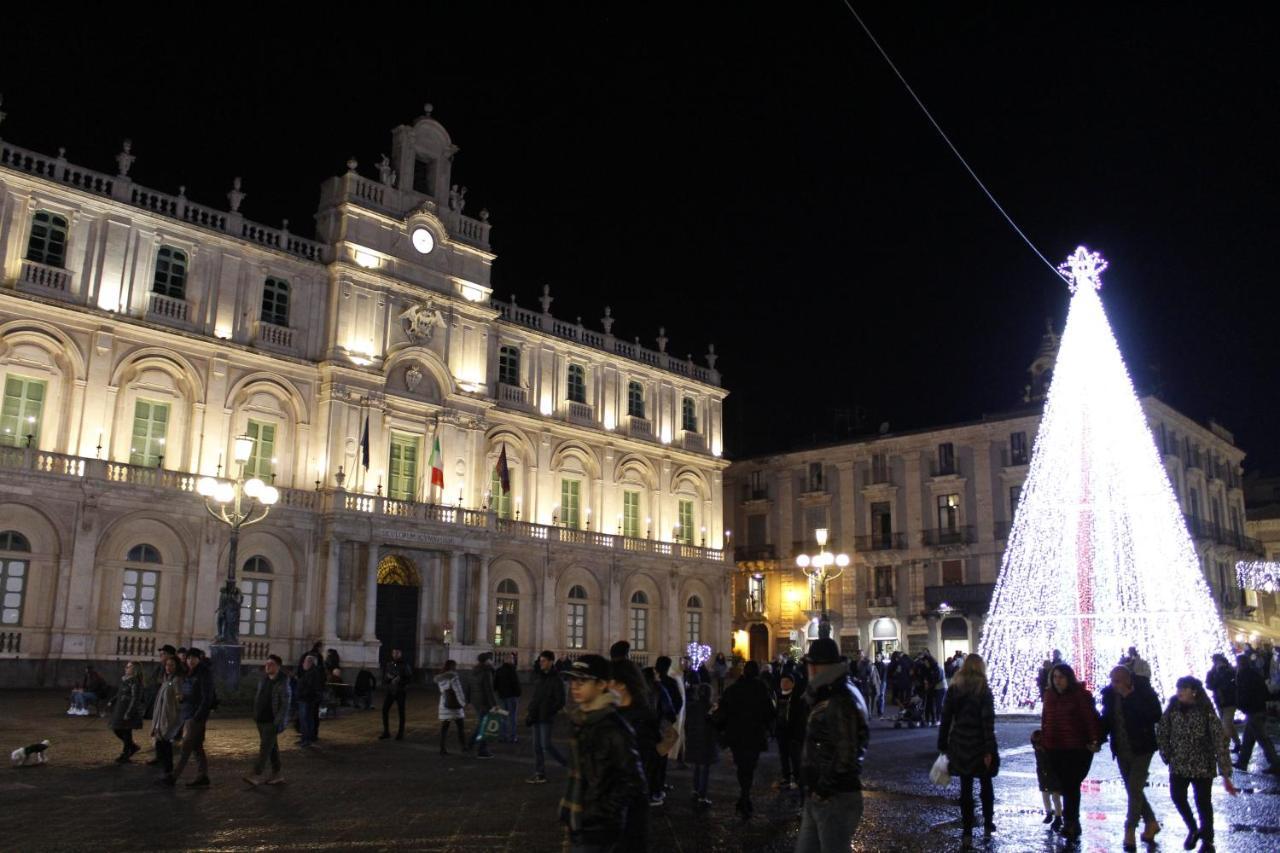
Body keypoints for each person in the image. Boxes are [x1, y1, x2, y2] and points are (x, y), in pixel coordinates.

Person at [559, 655, 646, 853]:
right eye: (573, 680)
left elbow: (633, 782)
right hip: (579, 821)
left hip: (598, 829)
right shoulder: (581, 721)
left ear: (601, 685)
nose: (575, 686)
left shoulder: (613, 727)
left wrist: (601, 815)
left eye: (583, 681)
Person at [795, 637, 869, 853]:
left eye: (809, 664)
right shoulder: (832, 691)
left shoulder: (839, 698)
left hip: (833, 797)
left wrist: (823, 788)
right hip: (820, 794)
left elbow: (846, 754)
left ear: (818, 667)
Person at [1157, 675, 1238, 853]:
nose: (1179, 692)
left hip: (1203, 764)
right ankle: (1193, 828)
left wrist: (1225, 772)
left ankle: (1207, 839)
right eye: (1178, 688)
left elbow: (1219, 741)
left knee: (1203, 802)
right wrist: (1167, 754)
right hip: (1179, 763)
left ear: (1194, 691)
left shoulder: (1206, 710)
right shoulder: (1172, 708)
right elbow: (1162, 730)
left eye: (1183, 688)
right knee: (1177, 796)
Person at [1099, 664, 1163, 849]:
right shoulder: (1110, 696)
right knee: (1133, 789)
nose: (1114, 685)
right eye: (1112, 681)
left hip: (1142, 748)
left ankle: (1130, 830)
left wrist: (1130, 698)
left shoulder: (1144, 692)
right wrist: (1098, 738)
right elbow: (1107, 719)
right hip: (1121, 749)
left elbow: (1155, 715)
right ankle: (1151, 822)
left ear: (1128, 680)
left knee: (1134, 788)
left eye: (1117, 681)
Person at [937, 654, 997, 847]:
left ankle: (967, 832)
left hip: (960, 743)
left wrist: (943, 743)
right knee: (986, 785)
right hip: (980, 744)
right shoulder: (983, 689)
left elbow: (945, 718)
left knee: (966, 789)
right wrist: (989, 749)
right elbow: (988, 722)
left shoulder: (955, 688)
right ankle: (988, 823)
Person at [1039, 663, 1101, 841]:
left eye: (1061, 677)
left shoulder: (1080, 695)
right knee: (1066, 786)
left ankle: (1072, 822)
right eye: (1055, 677)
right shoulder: (1049, 695)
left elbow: (1089, 718)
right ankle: (1071, 822)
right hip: (1054, 747)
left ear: (1069, 678)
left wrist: (1094, 739)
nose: (1058, 681)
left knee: (1071, 785)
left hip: (1076, 747)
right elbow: (1045, 718)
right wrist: (1043, 738)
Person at [713, 659, 775, 818]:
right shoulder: (761, 689)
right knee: (750, 765)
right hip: (754, 734)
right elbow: (769, 711)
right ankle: (745, 795)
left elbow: (723, 711)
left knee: (741, 765)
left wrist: (722, 731)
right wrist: (769, 728)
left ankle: (744, 794)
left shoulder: (733, 689)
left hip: (736, 735)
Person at [609, 659, 656, 850]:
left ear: (622, 684)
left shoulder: (642, 716)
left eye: (610, 681)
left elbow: (642, 762)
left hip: (629, 802)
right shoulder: (615, 712)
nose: (606, 686)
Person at [163, 647, 215, 787]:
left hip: (195, 715)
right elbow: (191, 692)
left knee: (186, 746)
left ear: (199, 658)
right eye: (188, 658)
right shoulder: (189, 672)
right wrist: (183, 698)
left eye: (193, 658)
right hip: (188, 712)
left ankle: (173, 777)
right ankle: (202, 776)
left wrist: (198, 716)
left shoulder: (204, 673)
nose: (190, 660)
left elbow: (207, 697)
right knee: (197, 746)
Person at [244, 654, 288, 786]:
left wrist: (278, 721)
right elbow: (259, 697)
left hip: (272, 721)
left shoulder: (283, 682)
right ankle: (277, 773)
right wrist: (256, 714)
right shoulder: (263, 679)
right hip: (260, 720)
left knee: (264, 749)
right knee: (271, 747)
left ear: (278, 667)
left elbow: (285, 704)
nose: (267, 666)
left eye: (271, 664)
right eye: (267, 664)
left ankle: (256, 774)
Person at [1233, 652, 1280, 774]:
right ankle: (1242, 762)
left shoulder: (1243, 675)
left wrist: (1242, 705)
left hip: (1253, 710)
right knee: (1248, 738)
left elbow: (1244, 694)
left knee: (1263, 738)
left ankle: (1275, 763)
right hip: (1257, 709)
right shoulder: (1254, 674)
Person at [527, 650, 568, 783]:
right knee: (536, 746)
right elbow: (535, 697)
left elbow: (561, 700)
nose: (541, 663)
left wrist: (549, 710)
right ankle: (540, 773)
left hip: (545, 716)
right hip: (535, 715)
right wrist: (530, 711)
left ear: (551, 662)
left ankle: (568, 765)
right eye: (540, 661)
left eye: (543, 661)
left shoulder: (557, 679)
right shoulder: (539, 677)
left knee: (546, 745)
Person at [684, 682, 718, 806]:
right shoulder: (711, 707)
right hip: (707, 740)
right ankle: (702, 795)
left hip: (694, 738)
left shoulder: (692, 706)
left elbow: (687, 724)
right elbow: (716, 724)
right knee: (705, 768)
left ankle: (695, 790)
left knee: (697, 766)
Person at [150, 654, 183, 779]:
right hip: (161, 715)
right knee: (159, 741)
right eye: (167, 665)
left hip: (169, 716)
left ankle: (168, 770)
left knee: (165, 742)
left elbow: (179, 699)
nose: (168, 667)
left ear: (176, 666)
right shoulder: (166, 679)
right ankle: (162, 765)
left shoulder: (177, 680)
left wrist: (179, 701)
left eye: (171, 665)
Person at [776, 672, 809, 792]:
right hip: (781, 732)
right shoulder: (778, 696)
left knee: (795, 757)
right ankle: (786, 777)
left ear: (793, 684)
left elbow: (801, 718)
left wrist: (798, 733)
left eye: (787, 682)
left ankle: (797, 778)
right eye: (782, 682)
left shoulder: (798, 698)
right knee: (783, 757)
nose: (784, 684)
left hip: (793, 733)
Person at [108, 661, 145, 763]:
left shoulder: (135, 682)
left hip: (128, 709)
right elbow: (120, 693)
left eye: (129, 667)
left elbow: (135, 699)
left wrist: (129, 712)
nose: (126, 668)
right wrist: (113, 700)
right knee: (117, 729)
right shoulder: (125, 680)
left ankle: (125, 754)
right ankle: (132, 747)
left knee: (126, 731)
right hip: (120, 709)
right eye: (126, 666)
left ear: (135, 669)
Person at [1204, 653, 1241, 753]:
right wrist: (1217, 675)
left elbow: (1234, 682)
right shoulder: (1212, 672)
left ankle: (1224, 746)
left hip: (1230, 701)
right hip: (1220, 701)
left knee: (1226, 723)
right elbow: (1209, 685)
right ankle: (1237, 743)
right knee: (1229, 724)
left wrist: (1222, 672)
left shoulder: (1229, 670)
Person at [1031, 729, 1063, 831]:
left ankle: (1058, 816)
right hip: (1044, 776)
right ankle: (1050, 813)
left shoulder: (1047, 751)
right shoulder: (1039, 751)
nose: (1037, 747)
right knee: (1047, 796)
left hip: (1053, 776)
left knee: (1055, 797)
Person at [436, 659, 469, 755]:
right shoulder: (453, 676)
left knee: (444, 728)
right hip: (455, 705)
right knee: (460, 727)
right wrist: (463, 703)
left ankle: (442, 747)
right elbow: (458, 691)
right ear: (453, 667)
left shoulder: (440, 677)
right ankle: (463, 746)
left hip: (444, 703)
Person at [379, 648, 412, 741]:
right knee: (384, 710)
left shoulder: (405, 665)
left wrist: (399, 680)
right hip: (391, 691)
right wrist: (389, 678)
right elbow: (384, 678)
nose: (395, 655)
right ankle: (386, 732)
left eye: (397, 653)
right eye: (394, 653)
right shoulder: (389, 664)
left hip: (401, 691)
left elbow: (409, 678)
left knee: (401, 712)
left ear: (400, 654)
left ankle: (400, 733)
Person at [471, 652, 498, 759]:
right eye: (491, 659)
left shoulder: (475, 671)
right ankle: (482, 750)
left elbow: (470, 686)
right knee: (485, 727)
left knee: (481, 724)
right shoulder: (487, 672)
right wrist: (494, 705)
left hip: (477, 702)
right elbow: (489, 690)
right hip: (485, 702)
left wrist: (470, 699)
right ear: (487, 661)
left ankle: (470, 744)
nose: (492, 661)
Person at [296, 653, 324, 748]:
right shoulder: (311, 672)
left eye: (304, 662)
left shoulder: (312, 673)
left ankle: (306, 740)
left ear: (309, 663)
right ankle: (306, 738)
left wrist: (301, 694)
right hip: (308, 699)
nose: (303, 664)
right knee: (308, 720)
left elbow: (309, 687)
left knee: (305, 720)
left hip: (306, 699)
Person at [494, 654, 522, 744]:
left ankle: (502, 736)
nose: (513, 660)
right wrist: (518, 693)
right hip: (511, 697)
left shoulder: (498, 670)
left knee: (503, 717)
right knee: (512, 717)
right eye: (513, 659)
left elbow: (494, 685)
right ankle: (512, 737)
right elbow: (516, 684)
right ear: (510, 660)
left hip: (501, 697)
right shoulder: (512, 670)